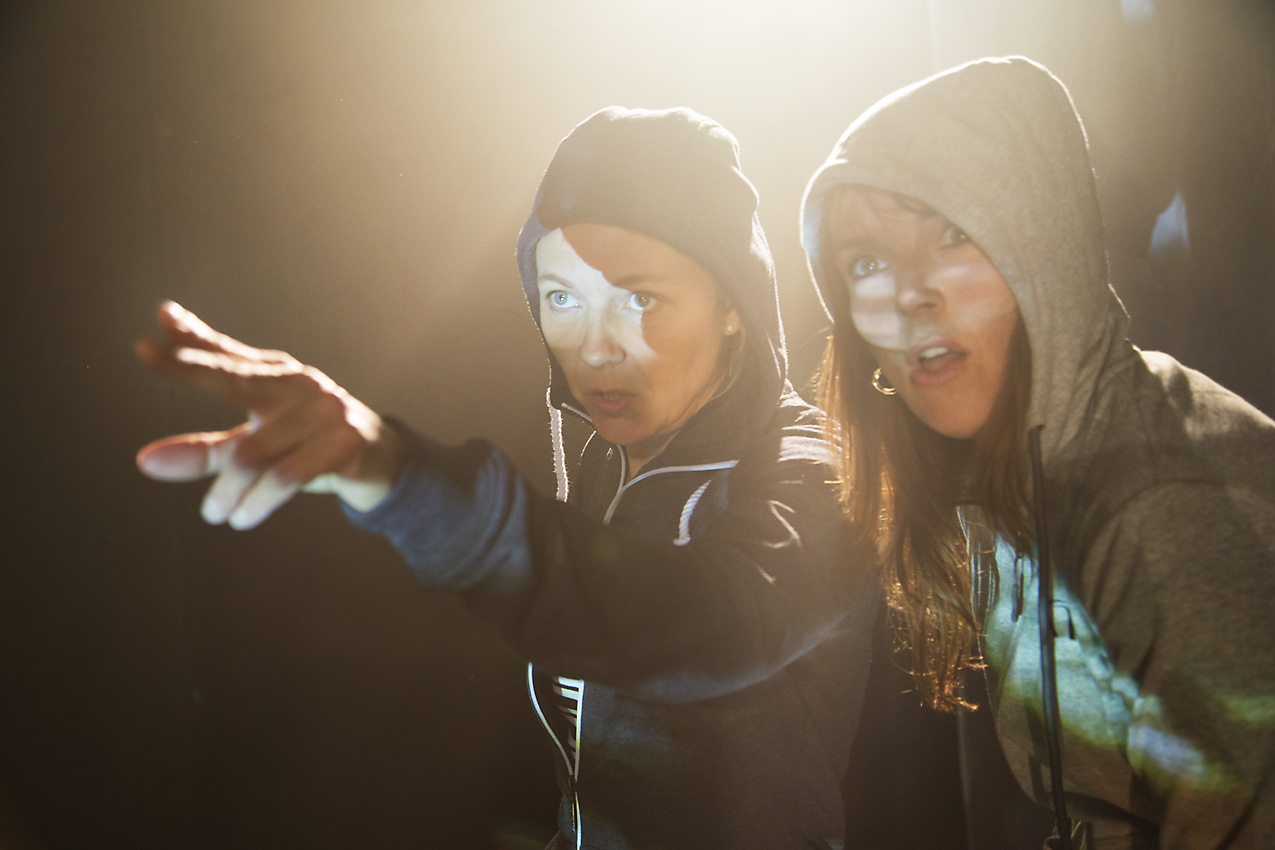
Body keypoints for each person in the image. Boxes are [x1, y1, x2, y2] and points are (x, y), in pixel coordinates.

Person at [137, 106, 877, 850]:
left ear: (732, 305)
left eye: (639, 298)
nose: (594, 347)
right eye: (562, 298)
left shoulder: (813, 468)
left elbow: (709, 630)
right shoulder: (612, 458)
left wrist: (396, 474)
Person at [800, 56, 1275, 848]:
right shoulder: (1011, 466)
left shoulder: (1166, 510)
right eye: (867, 263)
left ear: (1044, 249)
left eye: (954, 233)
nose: (908, 293)